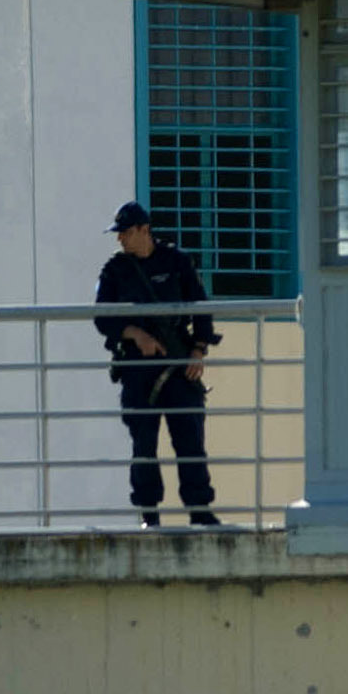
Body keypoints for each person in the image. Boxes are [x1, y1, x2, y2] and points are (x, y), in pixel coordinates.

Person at [93, 205, 221, 527]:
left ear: (144, 230)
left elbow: (201, 308)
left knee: (190, 440)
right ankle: (148, 513)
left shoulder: (177, 262)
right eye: (118, 233)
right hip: (138, 368)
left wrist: (198, 350)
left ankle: (199, 510)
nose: (120, 239)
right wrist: (135, 334)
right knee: (144, 445)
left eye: (125, 232)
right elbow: (101, 318)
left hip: (179, 365)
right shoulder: (115, 270)